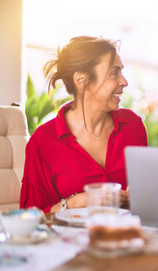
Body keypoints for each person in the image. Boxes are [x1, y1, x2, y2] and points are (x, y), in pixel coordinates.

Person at [20, 36, 148, 213]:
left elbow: (146, 192)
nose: (124, 81)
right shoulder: (42, 142)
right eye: (114, 73)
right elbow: (31, 217)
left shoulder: (133, 126)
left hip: (127, 237)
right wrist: (76, 202)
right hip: (70, 239)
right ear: (81, 80)